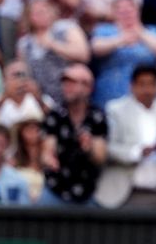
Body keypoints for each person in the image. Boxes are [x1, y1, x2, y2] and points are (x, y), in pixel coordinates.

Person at [95, 64, 156, 209]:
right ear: (132, 86)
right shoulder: (116, 110)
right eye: (142, 84)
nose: (147, 90)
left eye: (151, 84)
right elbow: (109, 148)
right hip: (126, 194)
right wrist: (137, 152)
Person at [40, 64, 108, 207]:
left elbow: (100, 157)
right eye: (65, 82)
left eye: (72, 83)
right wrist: (49, 158)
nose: (67, 87)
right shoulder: (55, 115)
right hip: (56, 189)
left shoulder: (97, 117)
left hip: (87, 192)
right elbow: (47, 148)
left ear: (87, 88)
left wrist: (89, 149)